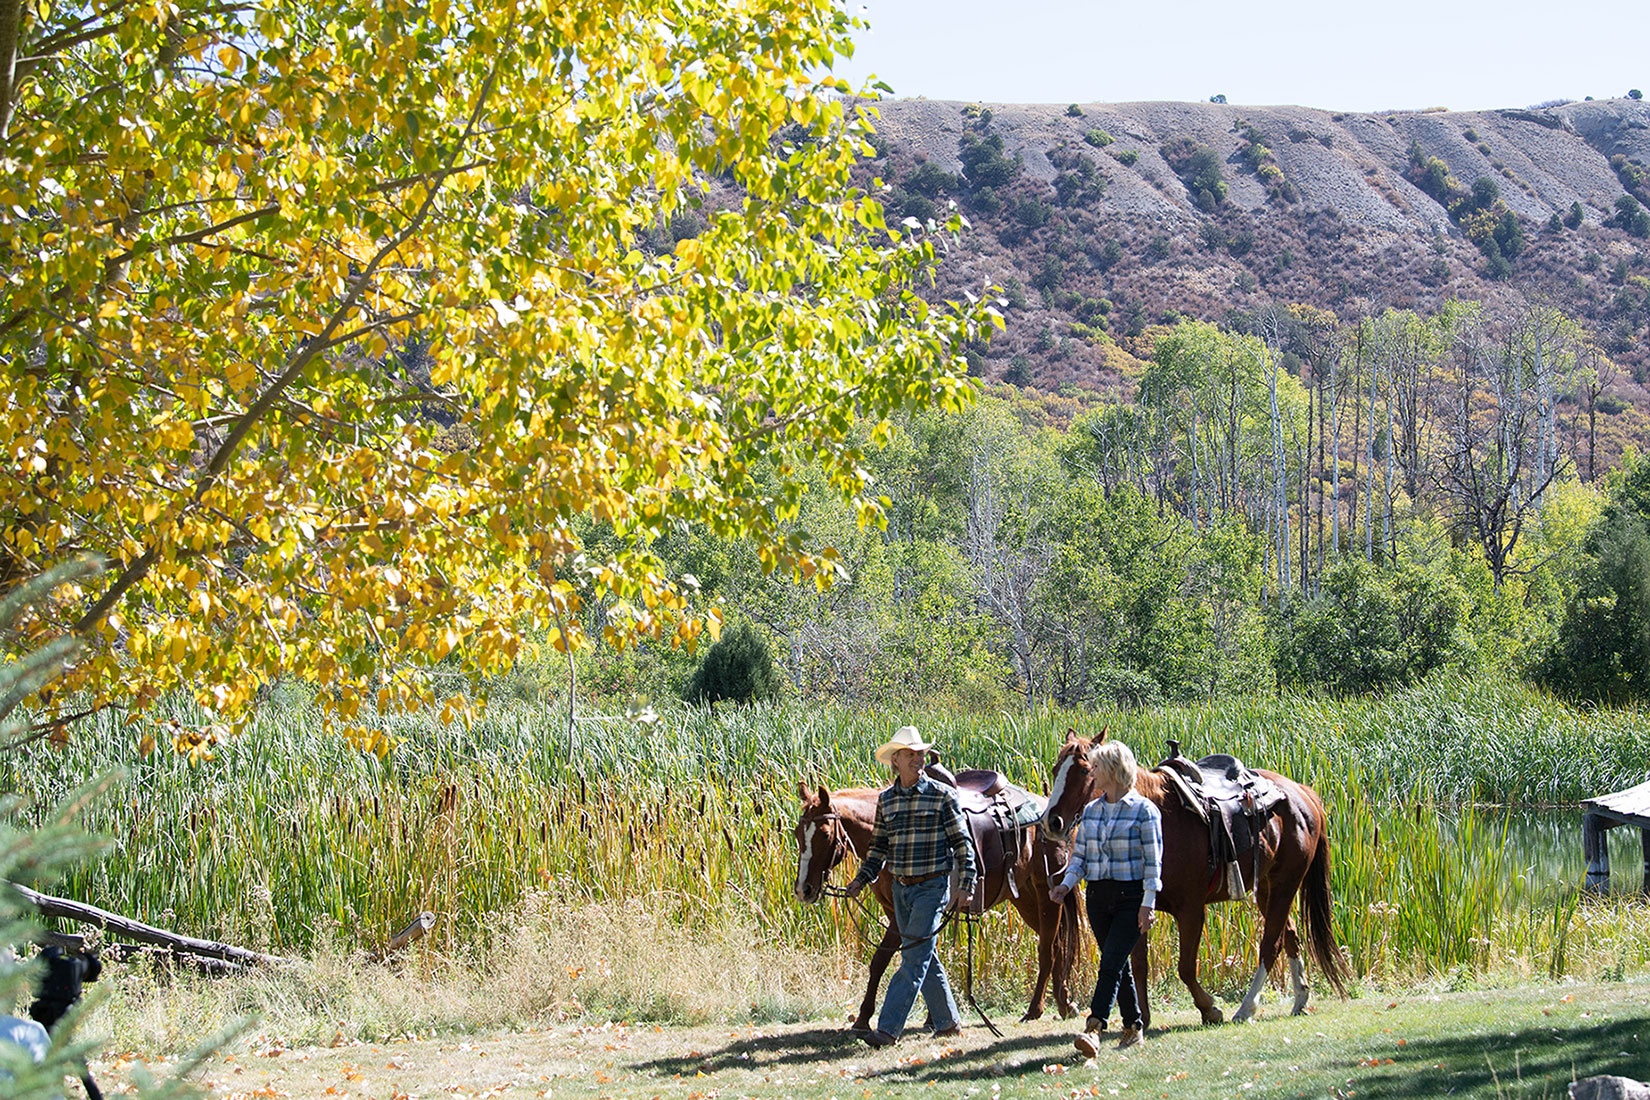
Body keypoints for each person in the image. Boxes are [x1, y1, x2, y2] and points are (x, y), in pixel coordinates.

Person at [844, 725, 976, 1049]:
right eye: (911, 754)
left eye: (921, 754)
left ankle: (887, 1030)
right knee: (923, 956)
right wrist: (861, 880)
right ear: (896, 761)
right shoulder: (887, 801)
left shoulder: (942, 795)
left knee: (913, 958)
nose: (919, 759)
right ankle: (948, 1023)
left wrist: (967, 884)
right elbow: (878, 848)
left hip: (932, 888)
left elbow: (962, 843)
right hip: (901, 890)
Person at [1049, 739, 1161, 1056]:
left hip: (1131, 897)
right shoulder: (1091, 813)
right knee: (1117, 963)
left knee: (1109, 963)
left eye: (1097, 767)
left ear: (1113, 771)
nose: (1092, 772)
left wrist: (1148, 903)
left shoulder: (1145, 812)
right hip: (1098, 898)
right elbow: (1080, 859)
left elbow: (1154, 863)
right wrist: (1066, 885)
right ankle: (1134, 1027)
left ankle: (1095, 1026)